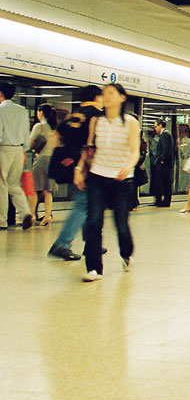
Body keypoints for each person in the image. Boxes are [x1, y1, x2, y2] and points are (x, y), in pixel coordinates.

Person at [74, 83, 140, 282]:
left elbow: (135, 150)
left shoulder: (130, 122)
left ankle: (126, 253)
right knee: (93, 222)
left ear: (122, 97)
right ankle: (94, 269)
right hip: (97, 176)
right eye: (104, 93)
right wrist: (79, 169)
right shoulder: (96, 121)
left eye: (111, 93)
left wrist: (129, 165)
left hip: (121, 179)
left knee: (121, 224)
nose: (107, 96)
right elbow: (89, 148)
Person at [47, 85, 103, 259]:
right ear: (97, 97)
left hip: (72, 163)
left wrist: (63, 154)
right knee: (83, 203)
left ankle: (91, 243)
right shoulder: (97, 114)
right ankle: (62, 244)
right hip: (86, 164)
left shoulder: (74, 115)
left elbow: (55, 135)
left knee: (88, 203)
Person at [0, 81, 33, 230]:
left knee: (2, 185)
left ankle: (1, 221)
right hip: (19, 150)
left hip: (4, 150)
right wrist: (24, 150)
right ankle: (25, 212)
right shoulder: (22, 111)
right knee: (14, 185)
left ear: (1, 93)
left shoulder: (1, 110)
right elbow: (26, 134)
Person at [29, 103, 58, 226]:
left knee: (34, 189)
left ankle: (32, 215)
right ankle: (47, 215)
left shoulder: (39, 126)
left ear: (41, 113)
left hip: (41, 159)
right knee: (48, 190)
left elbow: (30, 144)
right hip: (52, 160)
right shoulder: (55, 128)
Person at [151, 119, 174, 207]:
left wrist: (161, 160)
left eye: (156, 126)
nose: (155, 128)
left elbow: (165, 149)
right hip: (166, 164)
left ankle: (165, 201)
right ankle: (162, 200)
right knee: (164, 182)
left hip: (164, 165)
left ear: (160, 126)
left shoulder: (165, 135)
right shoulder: (166, 134)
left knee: (165, 183)